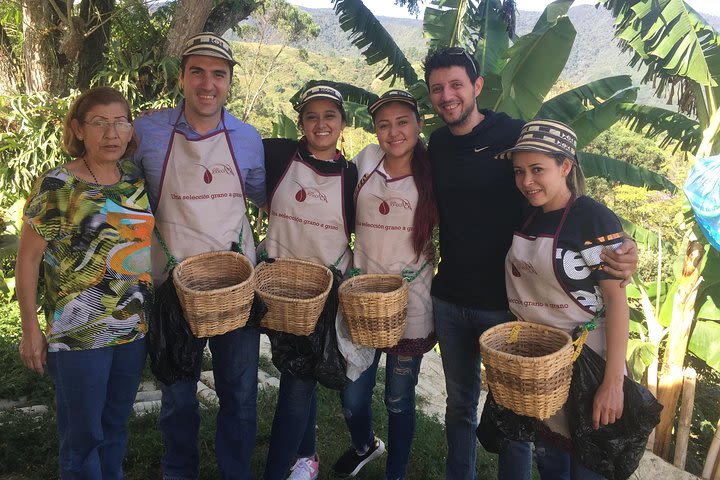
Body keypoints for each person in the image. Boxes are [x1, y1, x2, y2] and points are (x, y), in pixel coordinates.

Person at [421, 47, 639, 480]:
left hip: (508, 309)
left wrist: (621, 244)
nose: (448, 96)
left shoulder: (515, 137)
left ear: (477, 86)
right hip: (450, 298)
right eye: (438, 88)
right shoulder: (438, 144)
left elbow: (573, 212)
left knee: (518, 418)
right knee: (460, 404)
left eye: (457, 85)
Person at [133, 32, 265, 480]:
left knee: (241, 392)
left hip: (235, 287)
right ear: (183, 77)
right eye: (198, 72)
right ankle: (179, 471)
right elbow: (128, 197)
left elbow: (265, 198)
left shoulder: (248, 139)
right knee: (177, 393)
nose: (207, 84)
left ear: (230, 83)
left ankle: (235, 472)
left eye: (219, 74)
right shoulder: (147, 131)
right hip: (173, 285)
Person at [17, 86, 154, 479]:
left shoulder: (134, 177)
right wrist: (30, 328)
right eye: (99, 123)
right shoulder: (57, 186)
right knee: (83, 438)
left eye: (120, 122)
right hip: (78, 336)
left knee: (115, 428)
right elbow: (27, 258)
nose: (111, 134)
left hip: (132, 330)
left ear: (131, 130)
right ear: (78, 129)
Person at [498, 119, 629, 479]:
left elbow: (617, 304)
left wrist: (612, 384)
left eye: (538, 169)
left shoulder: (592, 219)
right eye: (519, 171)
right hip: (544, 372)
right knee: (552, 466)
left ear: (566, 166)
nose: (527, 181)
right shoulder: (528, 216)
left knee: (588, 468)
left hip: (589, 369)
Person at [332, 90, 437, 480]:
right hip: (362, 302)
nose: (393, 132)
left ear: (418, 125)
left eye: (402, 122)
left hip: (413, 306)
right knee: (352, 397)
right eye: (383, 124)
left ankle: (396, 472)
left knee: (398, 399)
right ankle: (365, 445)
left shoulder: (433, 173)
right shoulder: (364, 163)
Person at [259, 83, 357, 480]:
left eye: (329, 115)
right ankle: (307, 456)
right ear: (300, 122)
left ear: (342, 122)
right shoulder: (278, 154)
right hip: (278, 287)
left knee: (296, 383)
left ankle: (275, 471)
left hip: (323, 294)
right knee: (298, 371)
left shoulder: (353, 177)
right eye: (311, 116)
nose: (321, 124)